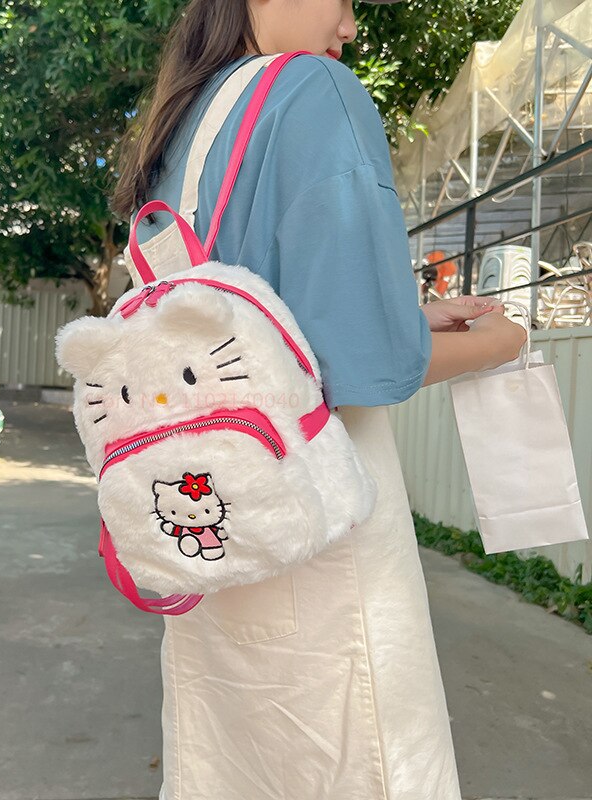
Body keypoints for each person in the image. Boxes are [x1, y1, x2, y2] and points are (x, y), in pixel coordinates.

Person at [112, 2, 527, 798]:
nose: (350, 30)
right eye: (343, 1)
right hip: (322, 513)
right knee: (363, 762)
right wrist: (496, 346)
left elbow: (260, 334)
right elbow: (354, 364)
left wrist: (399, 317)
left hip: (208, 530)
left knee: (223, 765)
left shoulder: (182, 126)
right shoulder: (312, 91)